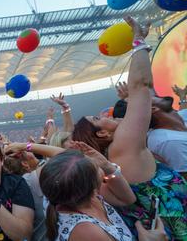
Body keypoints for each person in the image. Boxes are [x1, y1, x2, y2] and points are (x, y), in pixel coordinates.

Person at [72, 16, 187, 239]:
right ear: (103, 133)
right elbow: (141, 86)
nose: (105, 115)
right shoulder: (122, 148)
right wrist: (138, 42)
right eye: (98, 118)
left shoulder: (107, 164)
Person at [40, 150, 134, 241]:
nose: (98, 164)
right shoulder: (87, 232)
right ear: (92, 184)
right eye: (96, 166)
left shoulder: (62, 191)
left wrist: (107, 166)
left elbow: (128, 199)